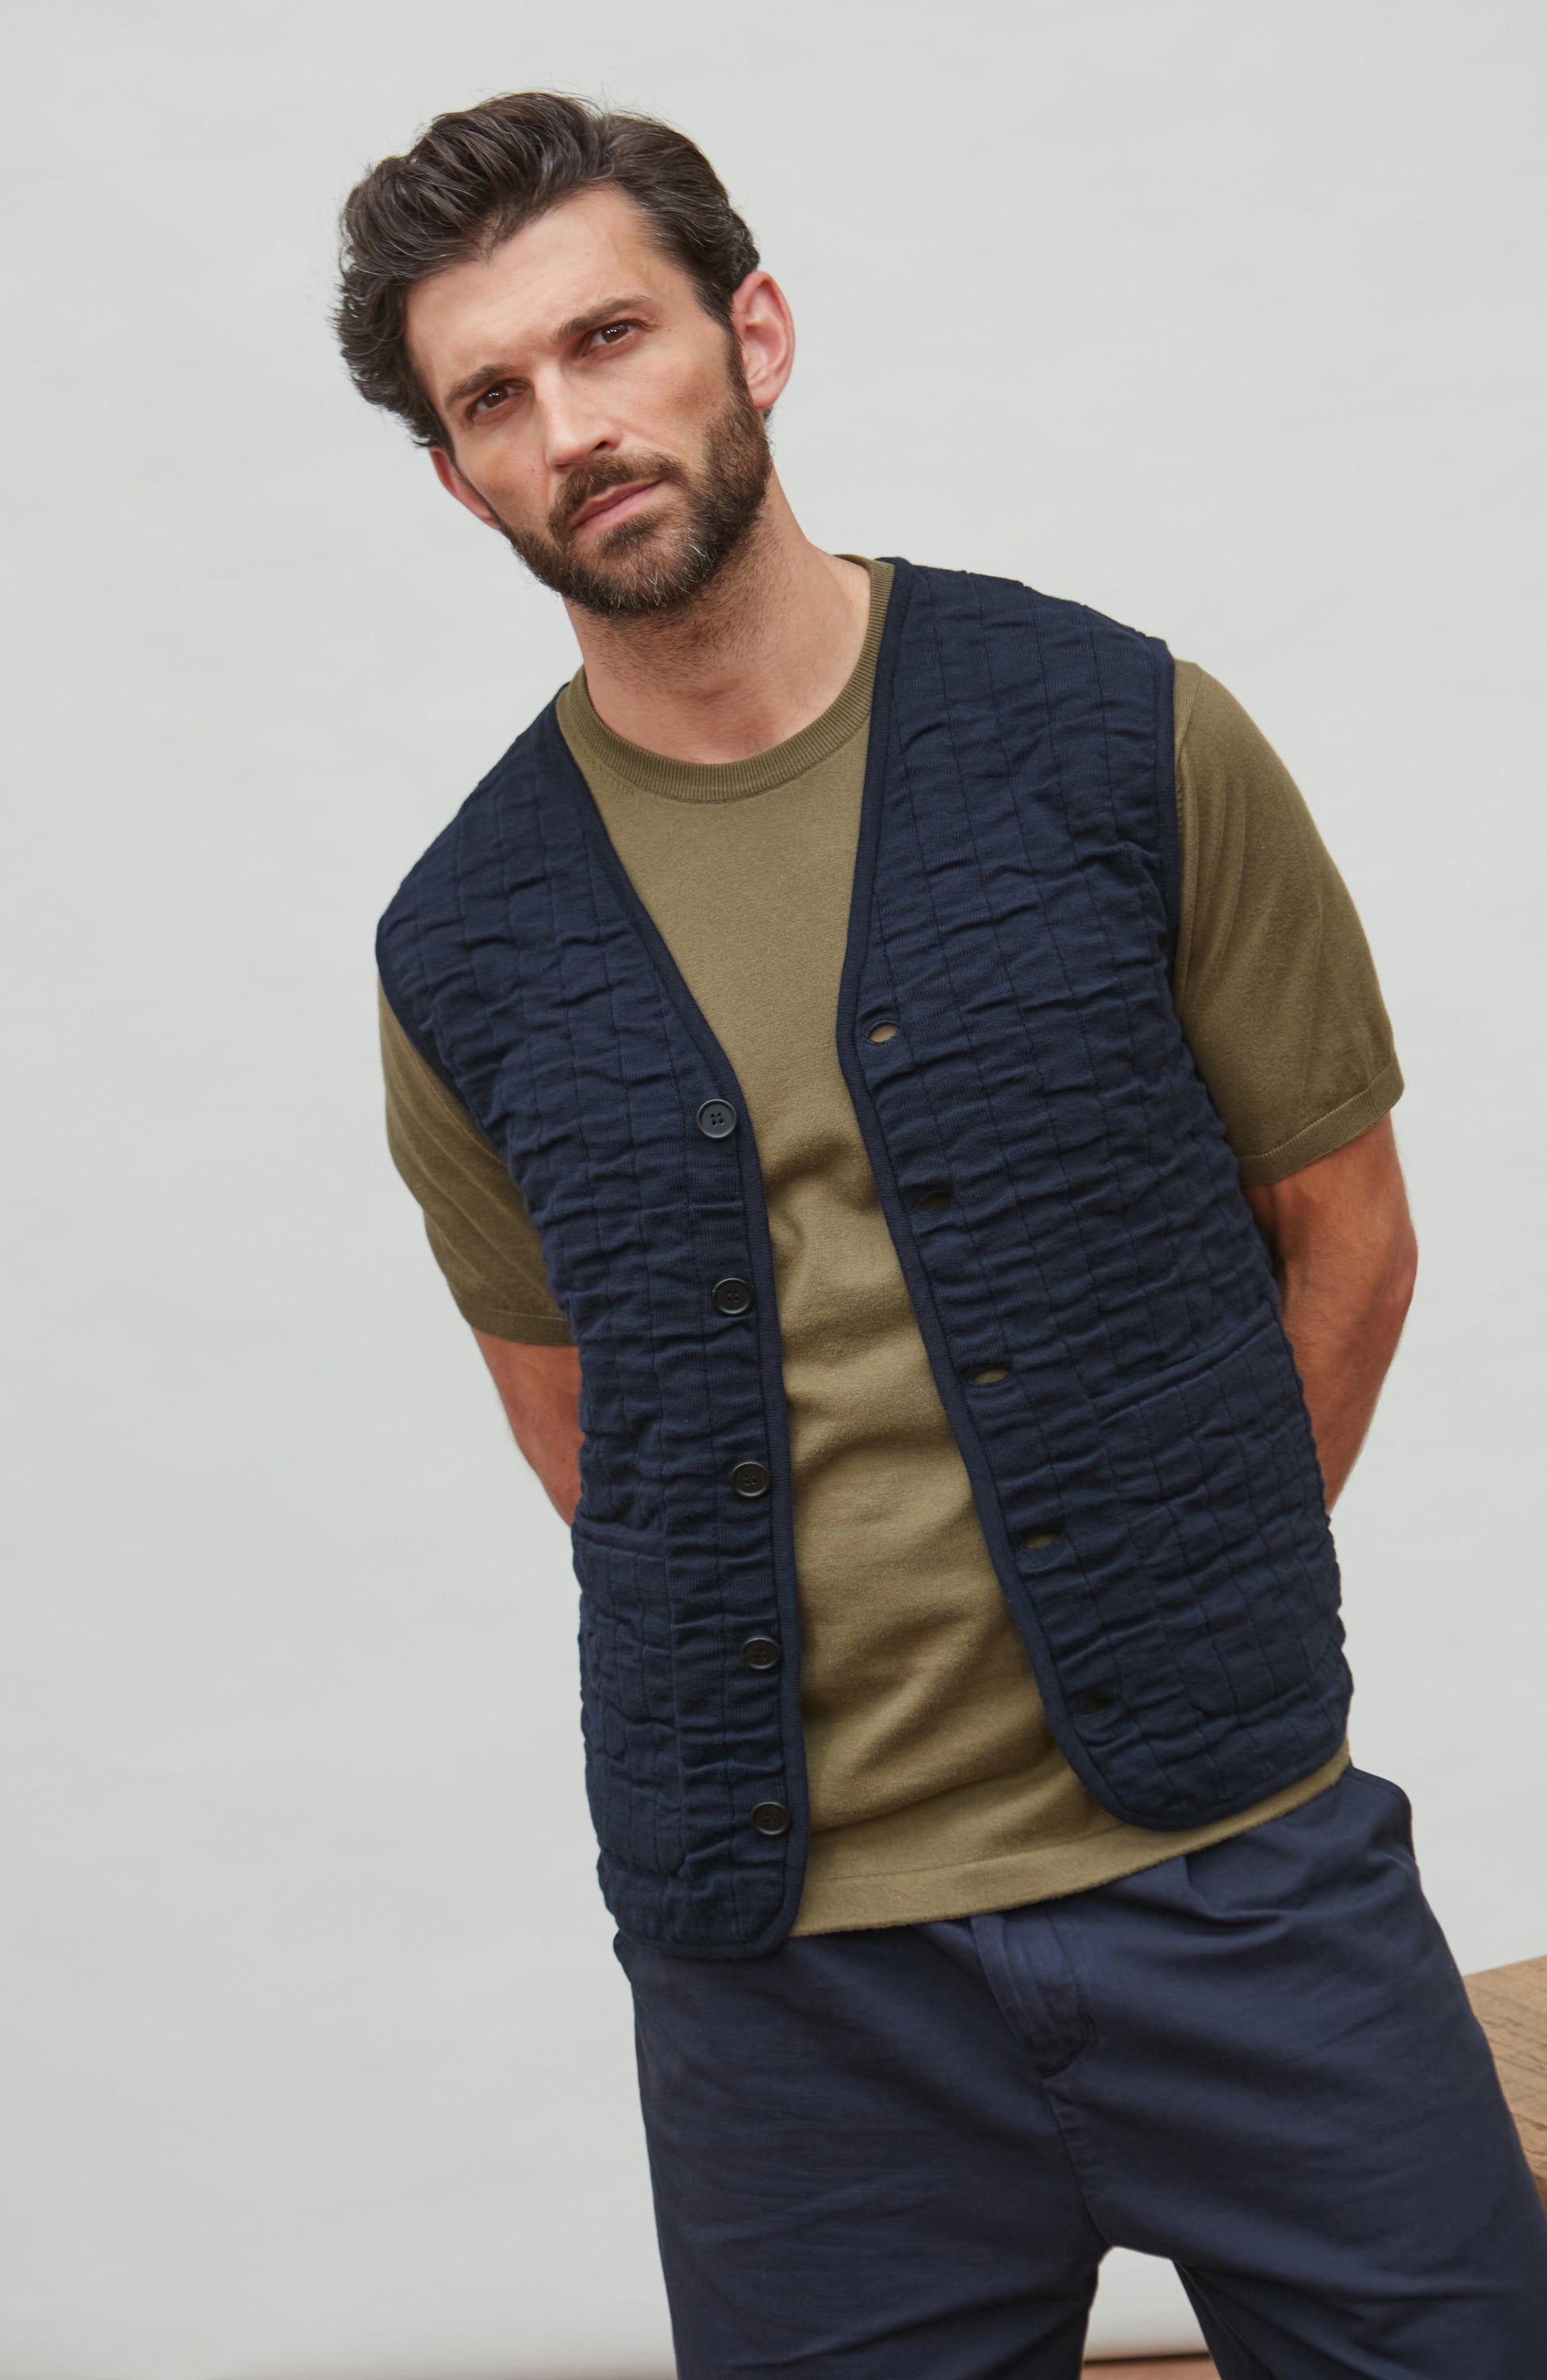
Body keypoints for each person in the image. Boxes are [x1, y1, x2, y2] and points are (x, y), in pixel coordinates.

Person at [336, 90, 1547, 2378]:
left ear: (755, 333)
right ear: (457, 477)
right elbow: (585, 1431)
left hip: (1240, 1884)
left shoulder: (1120, 737)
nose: (571, 427)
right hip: (790, 1999)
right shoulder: (462, 946)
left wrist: (1181, 1602)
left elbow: (1352, 1238)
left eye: (610, 338)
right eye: (492, 396)